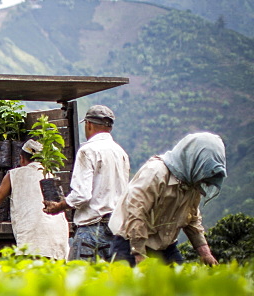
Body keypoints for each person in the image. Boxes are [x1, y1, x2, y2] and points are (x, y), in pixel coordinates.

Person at [108, 132, 226, 267]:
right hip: (129, 242)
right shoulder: (156, 172)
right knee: (130, 285)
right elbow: (136, 212)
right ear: (194, 160)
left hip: (165, 246)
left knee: (179, 282)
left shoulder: (192, 183)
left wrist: (205, 253)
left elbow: (192, 219)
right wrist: (139, 254)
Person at [43, 104, 130, 261]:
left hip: (92, 228)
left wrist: (59, 206)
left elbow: (81, 195)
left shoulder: (88, 150)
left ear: (88, 125)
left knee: (78, 280)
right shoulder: (120, 152)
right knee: (110, 280)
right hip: (117, 227)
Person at [0, 139, 69, 259]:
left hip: (35, 237)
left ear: (22, 159)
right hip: (59, 236)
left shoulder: (15, 175)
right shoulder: (50, 175)